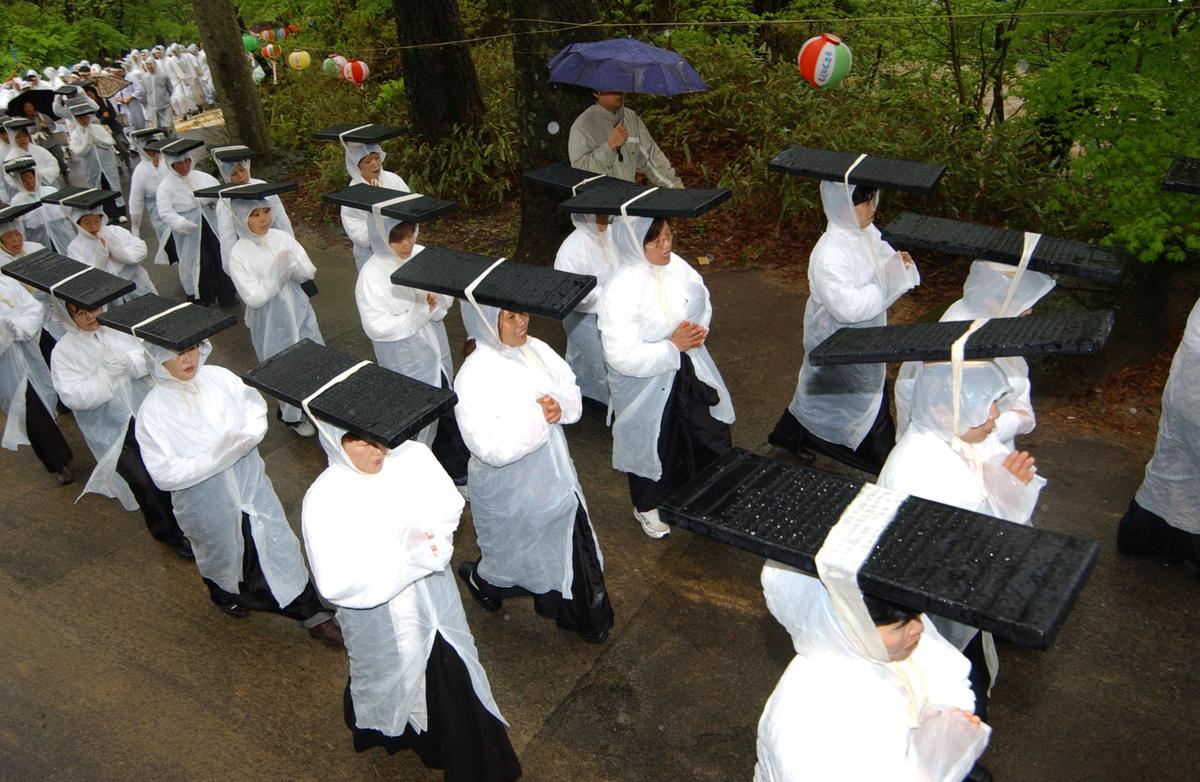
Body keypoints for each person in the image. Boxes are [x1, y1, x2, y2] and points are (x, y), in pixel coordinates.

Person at [301, 425, 522, 780]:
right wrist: (406, 558)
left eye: (379, 438)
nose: (378, 451)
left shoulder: (410, 458)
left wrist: (428, 541)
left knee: (453, 678)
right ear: (333, 440)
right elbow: (335, 581)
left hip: (436, 608)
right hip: (384, 619)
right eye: (362, 442)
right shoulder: (324, 498)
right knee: (392, 673)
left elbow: (448, 506)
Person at [135, 338, 342, 643]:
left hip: (252, 491)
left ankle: (310, 612)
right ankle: (224, 594)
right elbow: (164, 474)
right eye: (178, 353)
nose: (188, 358)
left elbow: (254, 408)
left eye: (192, 348)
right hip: (206, 504)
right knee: (221, 553)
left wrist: (248, 436)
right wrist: (215, 458)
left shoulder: (219, 377)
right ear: (158, 358)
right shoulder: (153, 412)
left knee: (276, 545)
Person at [877, 360, 1046, 718]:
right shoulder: (922, 467)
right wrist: (1004, 498)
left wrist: (1004, 491)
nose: (995, 416)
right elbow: (964, 551)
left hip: (953, 598)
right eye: (985, 407)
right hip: (931, 605)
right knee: (950, 681)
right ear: (943, 409)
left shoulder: (956, 438)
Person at [454, 302, 614, 643]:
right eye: (509, 317)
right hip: (511, 488)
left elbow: (568, 386)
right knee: (515, 551)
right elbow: (488, 447)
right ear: (485, 321)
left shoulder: (535, 348)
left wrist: (560, 405)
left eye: (522, 313)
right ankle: (484, 581)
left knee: (569, 542)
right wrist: (538, 417)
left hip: (553, 476)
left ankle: (586, 616)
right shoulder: (473, 376)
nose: (522, 322)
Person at [754, 561, 988, 782]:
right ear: (846, 625)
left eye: (917, 615)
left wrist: (946, 722)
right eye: (900, 625)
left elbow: (945, 668)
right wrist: (930, 762)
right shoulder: (808, 725)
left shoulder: (877, 645)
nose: (918, 628)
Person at [768, 181, 920, 474]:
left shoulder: (865, 232)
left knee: (823, 396)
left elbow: (885, 260)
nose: (873, 208)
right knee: (862, 398)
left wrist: (897, 266)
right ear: (842, 206)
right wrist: (889, 280)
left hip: (864, 337)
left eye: (874, 199)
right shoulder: (829, 254)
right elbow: (848, 308)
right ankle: (890, 469)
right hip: (836, 340)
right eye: (865, 202)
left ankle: (790, 435)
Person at [597, 215, 734, 538]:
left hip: (687, 366)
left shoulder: (676, 266)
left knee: (706, 429)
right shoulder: (619, 288)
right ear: (634, 243)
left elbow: (702, 297)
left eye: (669, 236)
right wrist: (671, 346)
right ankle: (647, 505)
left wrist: (698, 329)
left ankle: (708, 495)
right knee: (653, 440)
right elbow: (620, 356)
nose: (666, 245)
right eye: (656, 241)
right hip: (644, 382)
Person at [50, 301, 192, 558]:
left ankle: (189, 523)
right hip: (113, 429)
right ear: (68, 316)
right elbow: (71, 395)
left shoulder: (119, 328)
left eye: (93, 309)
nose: (90, 317)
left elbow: (150, 358)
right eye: (80, 313)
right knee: (142, 480)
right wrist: (106, 378)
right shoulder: (64, 351)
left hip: (146, 414)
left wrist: (129, 363)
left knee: (168, 468)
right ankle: (168, 533)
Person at [354, 217, 469, 485]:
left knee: (444, 407)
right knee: (414, 415)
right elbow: (376, 326)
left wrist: (435, 303)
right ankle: (426, 475)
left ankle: (458, 473)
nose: (407, 243)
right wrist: (417, 313)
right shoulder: (372, 274)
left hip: (434, 350)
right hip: (404, 360)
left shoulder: (421, 256)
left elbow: (443, 298)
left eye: (410, 234)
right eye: (397, 237)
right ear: (382, 237)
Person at [895, 261, 1055, 448]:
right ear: (990, 300)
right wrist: (1014, 420)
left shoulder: (994, 323)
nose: (1029, 310)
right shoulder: (956, 342)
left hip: (992, 445)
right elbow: (955, 426)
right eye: (1020, 300)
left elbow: (1017, 388)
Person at [225, 195, 322, 437]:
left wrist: (295, 269)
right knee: (283, 366)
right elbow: (253, 296)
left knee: (313, 356)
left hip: (300, 309)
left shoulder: (281, 237)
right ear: (240, 219)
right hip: (270, 320)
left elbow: (308, 270)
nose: (263, 219)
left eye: (265, 211)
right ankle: (291, 415)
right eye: (255, 214)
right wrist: (277, 274)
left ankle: (317, 404)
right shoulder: (239, 252)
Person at [1117, 296, 1200, 568]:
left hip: (1188, 392)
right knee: (1178, 463)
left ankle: (1152, 537)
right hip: (1191, 394)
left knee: (1176, 464)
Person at [0, 273, 73, 485]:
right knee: (30, 412)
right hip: (6, 371)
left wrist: (18, 330)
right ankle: (58, 462)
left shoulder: (7, 282)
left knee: (46, 395)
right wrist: (6, 335)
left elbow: (33, 308)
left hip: (28, 352)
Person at [156, 140, 237, 306]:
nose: (184, 166)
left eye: (187, 162)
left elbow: (220, 196)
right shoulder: (166, 186)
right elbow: (165, 211)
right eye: (179, 164)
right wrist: (181, 223)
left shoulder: (204, 177)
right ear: (171, 165)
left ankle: (226, 293)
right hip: (190, 229)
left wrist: (212, 202)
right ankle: (201, 296)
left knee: (220, 256)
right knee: (198, 262)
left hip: (210, 224)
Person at [554, 213, 619, 412]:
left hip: (614, 311)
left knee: (614, 357)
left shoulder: (612, 235)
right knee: (591, 359)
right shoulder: (572, 248)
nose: (603, 220)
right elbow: (568, 292)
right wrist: (604, 294)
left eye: (605, 215)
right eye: (598, 216)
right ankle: (590, 400)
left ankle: (612, 401)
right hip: (584, 316)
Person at [568, 90, 681, 188]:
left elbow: (653, 160)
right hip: (595, 210)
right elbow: (581, 176)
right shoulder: (583, 126)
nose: (618, 90)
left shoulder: (631, 119)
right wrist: (610, 146)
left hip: (626, 205)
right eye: (611, 85)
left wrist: (679, 194)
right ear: (596, 92)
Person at [211, 146, 295, 270]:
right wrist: (231, 266)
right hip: (249, 251)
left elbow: (281, 220)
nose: (240, 176)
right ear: (226, 175)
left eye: (242, 170)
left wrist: (291, 245)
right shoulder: (225, 200)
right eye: (234, 174)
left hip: (273, 241)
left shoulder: (262, 186)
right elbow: (227, 236)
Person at [65, 197, 155, 303]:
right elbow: (85, 278)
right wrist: (101, 256)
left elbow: (140, 248)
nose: (93, 227)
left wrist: (119, 252)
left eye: (96, 221)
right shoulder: (75, 247)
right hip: (109, 297)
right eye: (87, 223)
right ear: (78, 224)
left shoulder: (116, 231)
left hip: (138, 286)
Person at [339, 142, 409, 270]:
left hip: (401, 247)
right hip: (370, 256)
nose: (375, 163)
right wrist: (382, 232)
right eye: (367, 161)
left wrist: (404, 236)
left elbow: (410, 209)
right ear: (357, 165)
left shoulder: (394, 180)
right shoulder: (353, 194)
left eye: (377, 157)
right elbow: (356, 230)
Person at [67, 104, 127, 222]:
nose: (84, 120)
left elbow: (110, 142)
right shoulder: (75, 134)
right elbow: (79, 152)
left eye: (86, 117)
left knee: (113, 186)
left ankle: (119, 212)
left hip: (107, 163)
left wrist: (97, 140)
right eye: (81, 118)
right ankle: (105, 215)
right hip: (92, 167)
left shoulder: (98, 128)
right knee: (99, 189)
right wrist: (87, 142)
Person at [4, 158, 75, 253]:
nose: (29, 182)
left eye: (30, 177)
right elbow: (20, 227)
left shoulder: (50, 191)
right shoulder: (17, 200)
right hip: (39, 239)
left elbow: (67, 214)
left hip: (62, 234)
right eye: (24, 180)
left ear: (35, 177)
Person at [127, 130, 174, 265]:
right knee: (171, 244)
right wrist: (135, 226)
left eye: (156, 148)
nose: (153, 153)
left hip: (177, 206)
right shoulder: (140, 171)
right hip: (159, 214)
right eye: (149, 149)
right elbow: (136, 200)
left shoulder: (167, 162)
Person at [4, 120, 64, 190]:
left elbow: (53, 165)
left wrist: (38, 175)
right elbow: (10, 179)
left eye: (24, 136)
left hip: (48, 186)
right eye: (18, 137)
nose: (22, 139)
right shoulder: (10, 158)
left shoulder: (39, 150)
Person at [141, 59, 174, 130]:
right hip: (152, 106)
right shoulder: (144, 77)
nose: (149, 66)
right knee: (157, 128)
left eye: (150, 64)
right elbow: (144, 92)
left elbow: (170, 89)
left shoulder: (163, 76)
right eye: (147, 65)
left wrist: (165, 98)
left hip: (165, 105)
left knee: (168, 126)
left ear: (154, 64)